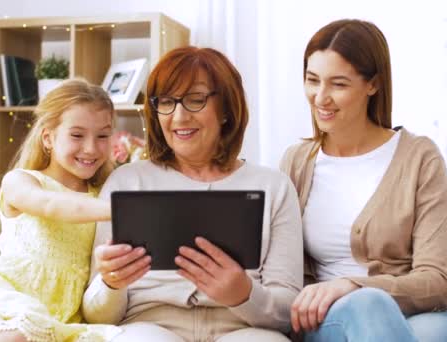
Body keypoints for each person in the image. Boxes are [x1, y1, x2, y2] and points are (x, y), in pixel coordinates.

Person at [82, 46, 303, 341]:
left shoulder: (274, 186)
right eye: (166, 102)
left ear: (226, 109)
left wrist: (244, 294)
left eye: (195, 100)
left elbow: (288, 313)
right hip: (148, 325)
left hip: (243, 328)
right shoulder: (128, 181)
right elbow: (96, 316)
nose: (179, 116)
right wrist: (111, 284)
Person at [279, 19, 447, 342]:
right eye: (312, 80)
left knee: (375, 308)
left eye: (338, 84)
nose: (320, 97)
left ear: (372, 84)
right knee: (365, 310)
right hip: (334, 321)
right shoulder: (296, 163)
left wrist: (354, 286)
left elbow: (437, 279)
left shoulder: (420, 158)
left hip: (429, 317)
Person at [0, 79, 121, 342]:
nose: (91, 148)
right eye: (77, 135)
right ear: (48, 138)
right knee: (17, 336)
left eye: (102, 135)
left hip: (60, 312)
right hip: (3, 293)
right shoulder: (21, 181)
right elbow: (51, 204)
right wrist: (121, 208)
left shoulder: (101, 193)